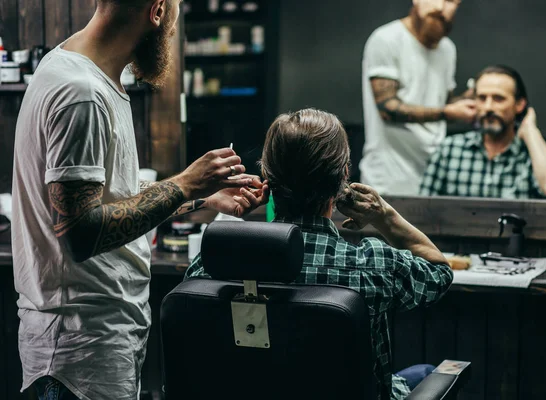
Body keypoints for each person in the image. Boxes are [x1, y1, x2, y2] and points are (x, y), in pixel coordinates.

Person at [11, 0, 268, 399]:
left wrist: (203, 197)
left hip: (93, 344)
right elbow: (80, 232)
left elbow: (112, 202)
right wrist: (184, 183)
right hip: (77, 356)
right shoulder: (82, 94)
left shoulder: (81, 73)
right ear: (158, 10)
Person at [186, 108, 454, 400]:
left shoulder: (217, 263)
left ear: (265, 176)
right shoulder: (372, 264)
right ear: (344, 175)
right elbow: (439, 271)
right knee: (428, 372)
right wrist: (384, 217)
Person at [360, 0, 477, 196]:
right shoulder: (387, 39)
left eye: (450, 1)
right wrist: (447, 113)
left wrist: (475, 96)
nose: (440, 7)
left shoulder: (447, 49)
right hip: (390, 176)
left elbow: (443, 105)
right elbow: (387, 109)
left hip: (433, 175)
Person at [420, 65, 546, 198]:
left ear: (519, 104)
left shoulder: (536, 153)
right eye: (482, 98)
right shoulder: (449, 150)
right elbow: (421, 212)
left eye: (498, 99)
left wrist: (530, 130)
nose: (488, 107)